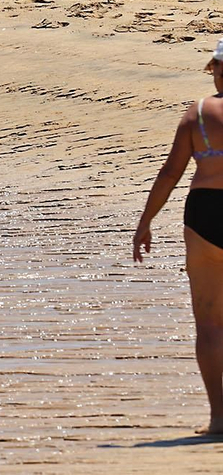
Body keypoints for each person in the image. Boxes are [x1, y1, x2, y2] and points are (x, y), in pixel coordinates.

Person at [134, 39, 223, 435]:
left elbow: (170, 173)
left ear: (215, 68)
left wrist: (145, 221)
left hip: (204, 213)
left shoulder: (198, 114)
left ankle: (219, 418)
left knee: (208, 324)